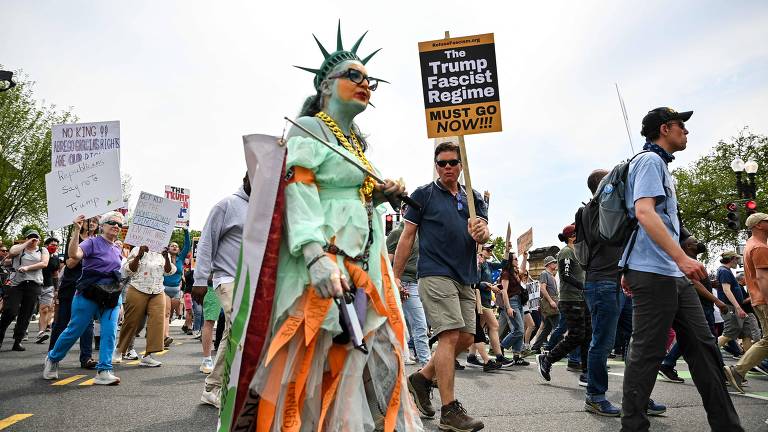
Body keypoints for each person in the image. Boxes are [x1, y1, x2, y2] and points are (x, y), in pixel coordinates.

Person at [233, 26, 423, 430]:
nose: (365, 84)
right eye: (354, 76)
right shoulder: (309, 127)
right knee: (309, 360)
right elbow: (299, 190)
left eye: (369, 80)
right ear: (325, 85)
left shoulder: (355, 142)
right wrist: (314, 254)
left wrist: (381, 194)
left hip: (363, 264)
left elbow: (353, 197)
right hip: (321, 266)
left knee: (351, 356)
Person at [618, 107, 742, 431]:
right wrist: (681, 258)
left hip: (670, 273)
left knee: (704, 348)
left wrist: (678, 259)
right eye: (681, 126)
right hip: (654, 272)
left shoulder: (661, 166)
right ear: (664, 128)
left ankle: (728, 426)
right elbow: (644, 213)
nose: (686, 132)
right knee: (647, 353)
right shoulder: (648, 161)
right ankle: (632, 426)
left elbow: (660, 223)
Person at [396, 140, 489, 431]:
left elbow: (483, 234)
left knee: (466, 337)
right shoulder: (423, 195)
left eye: (453, 162)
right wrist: (395, 275)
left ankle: (421, 379)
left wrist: (483, 232)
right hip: (434, 273)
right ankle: (449, 411)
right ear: (436, 166)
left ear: (461, 166)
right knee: (449, 336)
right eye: (442, 163)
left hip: (465, 276)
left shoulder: (473, 197)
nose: (447, 167)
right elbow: (407, 236)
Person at [44, 212, 125, 385]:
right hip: (88, 292)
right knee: (75, 330)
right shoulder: (92, 242)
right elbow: (74, 255)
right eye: (112, 222)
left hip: (111, 295)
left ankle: (104, 370)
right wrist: (76, 230)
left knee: (110, 331)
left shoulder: (118, 249)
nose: (116, 225)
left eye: (119, 224)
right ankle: (52, 359)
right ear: (102, 225)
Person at [191, 174, 249, 408]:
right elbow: (206, 242)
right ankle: (215, 386)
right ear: (246, 178)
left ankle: (213, 387)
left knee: (234, 332)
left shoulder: (264, 208)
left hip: (251, 281)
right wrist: (200, 279)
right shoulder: (226, 205)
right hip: (227, 278)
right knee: (241, 327)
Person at [578, 169, 624, 416]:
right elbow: (603, 236)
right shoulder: (595, 209)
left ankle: (637, 392)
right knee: (602, 342)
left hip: (621, 282)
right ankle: (595, 396)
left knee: (633, 340)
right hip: (602, 282)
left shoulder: (613, 206)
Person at [659, 236, 729, 384]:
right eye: (695, 242)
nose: (699, 243)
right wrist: (717, 300)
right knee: (708, 339)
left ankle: (667, 364)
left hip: (704, 306)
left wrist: (710, 283)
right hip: (700, 306)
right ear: (688, 247)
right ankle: (720, 372)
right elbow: (694, 283)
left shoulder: (691, 262)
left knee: (695, 337)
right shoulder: (685, 262)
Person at [536, 224, 591, 387]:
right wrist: (583, 286)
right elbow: (566, 275)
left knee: (588, 334)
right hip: (570, 299)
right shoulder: (566, 251)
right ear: (572, 236)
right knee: (577, 335)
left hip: (581, 299)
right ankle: (547, 359)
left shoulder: (578, 252)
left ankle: (587, 372)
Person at [725, 212, 768, 391]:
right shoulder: (759, 247)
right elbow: (763, 278)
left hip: (759, 300)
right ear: (758, 225)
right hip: (764, 299)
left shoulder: (751, 245)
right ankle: (737, 370)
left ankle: (737, 371)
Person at [48, 217, 99, 369]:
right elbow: (70, 262)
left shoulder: (98, 242)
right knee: (62, 322)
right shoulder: (74, 239)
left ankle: (86, 358)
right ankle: (52, 355)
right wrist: (84, 251)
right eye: (90, 221)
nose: (92, 223)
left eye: (95, 222)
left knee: (87, 323)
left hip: (89, 287)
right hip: (71, 286)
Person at [114, 244, 175, 367]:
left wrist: (166, 257)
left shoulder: (163, 252)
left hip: (157, 290)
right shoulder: (137, 249)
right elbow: (128, 270)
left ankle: (148, 355)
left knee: (157, 322)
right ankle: (119, 350)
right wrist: (139, 256)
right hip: (138, 288)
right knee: (131, 321)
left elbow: (168, 272)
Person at [386, 204, 431, 366]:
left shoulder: (420, 233)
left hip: (418, 282)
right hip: (402, 283)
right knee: (420, 324)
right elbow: (386, 262)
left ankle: (405, 355)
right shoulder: (397, 233)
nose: (412, 211)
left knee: (409, 325)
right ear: (402, 211)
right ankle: (426, 363)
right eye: (407, 208)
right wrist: (395, 282)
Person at [0, 229, 49, 351]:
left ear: (39, 239)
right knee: (10, 311)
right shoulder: (19, 248)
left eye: (36, 237)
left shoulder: (43, 250)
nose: (33, 239)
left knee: (26, 314)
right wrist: (26, 243)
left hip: (33, 284)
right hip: (17, 284)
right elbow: (11, 252)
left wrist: (27, 267)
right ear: (26, 238)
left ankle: (18, 340)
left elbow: (44, 263)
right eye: (31, 237)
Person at [716, 251, 754, 354]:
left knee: (747, 333)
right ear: (732, 259)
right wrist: (738, 308)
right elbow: (726, 290)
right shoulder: (724, 271)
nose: (738, 262)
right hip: (731, 307)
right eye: (737, 259)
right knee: (729, 333)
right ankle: (707, 352)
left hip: (736, 308)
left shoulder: (726, 271)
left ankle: (750, 360)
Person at [498, 252, 530, 365]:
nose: (517, 260)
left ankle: (516, 356)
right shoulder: (506, 273)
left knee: (520, 331)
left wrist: (525, 257)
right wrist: (508, 307)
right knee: (519, 329)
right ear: (510, 261)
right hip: (512, 302)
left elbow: (522, 269)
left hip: (519, 301)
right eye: (516, 259)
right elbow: (504, 291)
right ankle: (500, 346)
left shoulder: (515, 272)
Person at [162, 229, 190, 346]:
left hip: (176, 290)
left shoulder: (181, 258)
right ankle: (166, 337)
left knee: (171, 315)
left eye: (176, 246)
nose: (174, 247)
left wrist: (186, 231)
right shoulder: (163, 258)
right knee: (166, 313)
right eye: (172, 245)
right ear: (168, 248)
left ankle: (160, 330)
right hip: (164, 289)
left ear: (178, 250)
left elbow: (188, 245)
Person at [35, 237, 62, 344]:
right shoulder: (38, 254)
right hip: (35, 284)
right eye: (52, 245)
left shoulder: (56, 259)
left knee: (45, 309)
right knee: (29, 309)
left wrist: (56, 288)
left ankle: (41, 332)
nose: (54, 247)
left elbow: (55, 274)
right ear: (46, 246)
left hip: (49, 285)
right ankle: (23, 331)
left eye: (56, 245)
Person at [530, 256, 559, 354]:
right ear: (549, 264)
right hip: (550, 303)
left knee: (547, 328)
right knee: (558, 326)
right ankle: (555, 348)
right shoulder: (544, 274)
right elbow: (542, 288)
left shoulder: (551, 274)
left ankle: (536, 346)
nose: (555, 264)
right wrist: (551, 301)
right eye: (554, 262)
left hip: (552, 302)